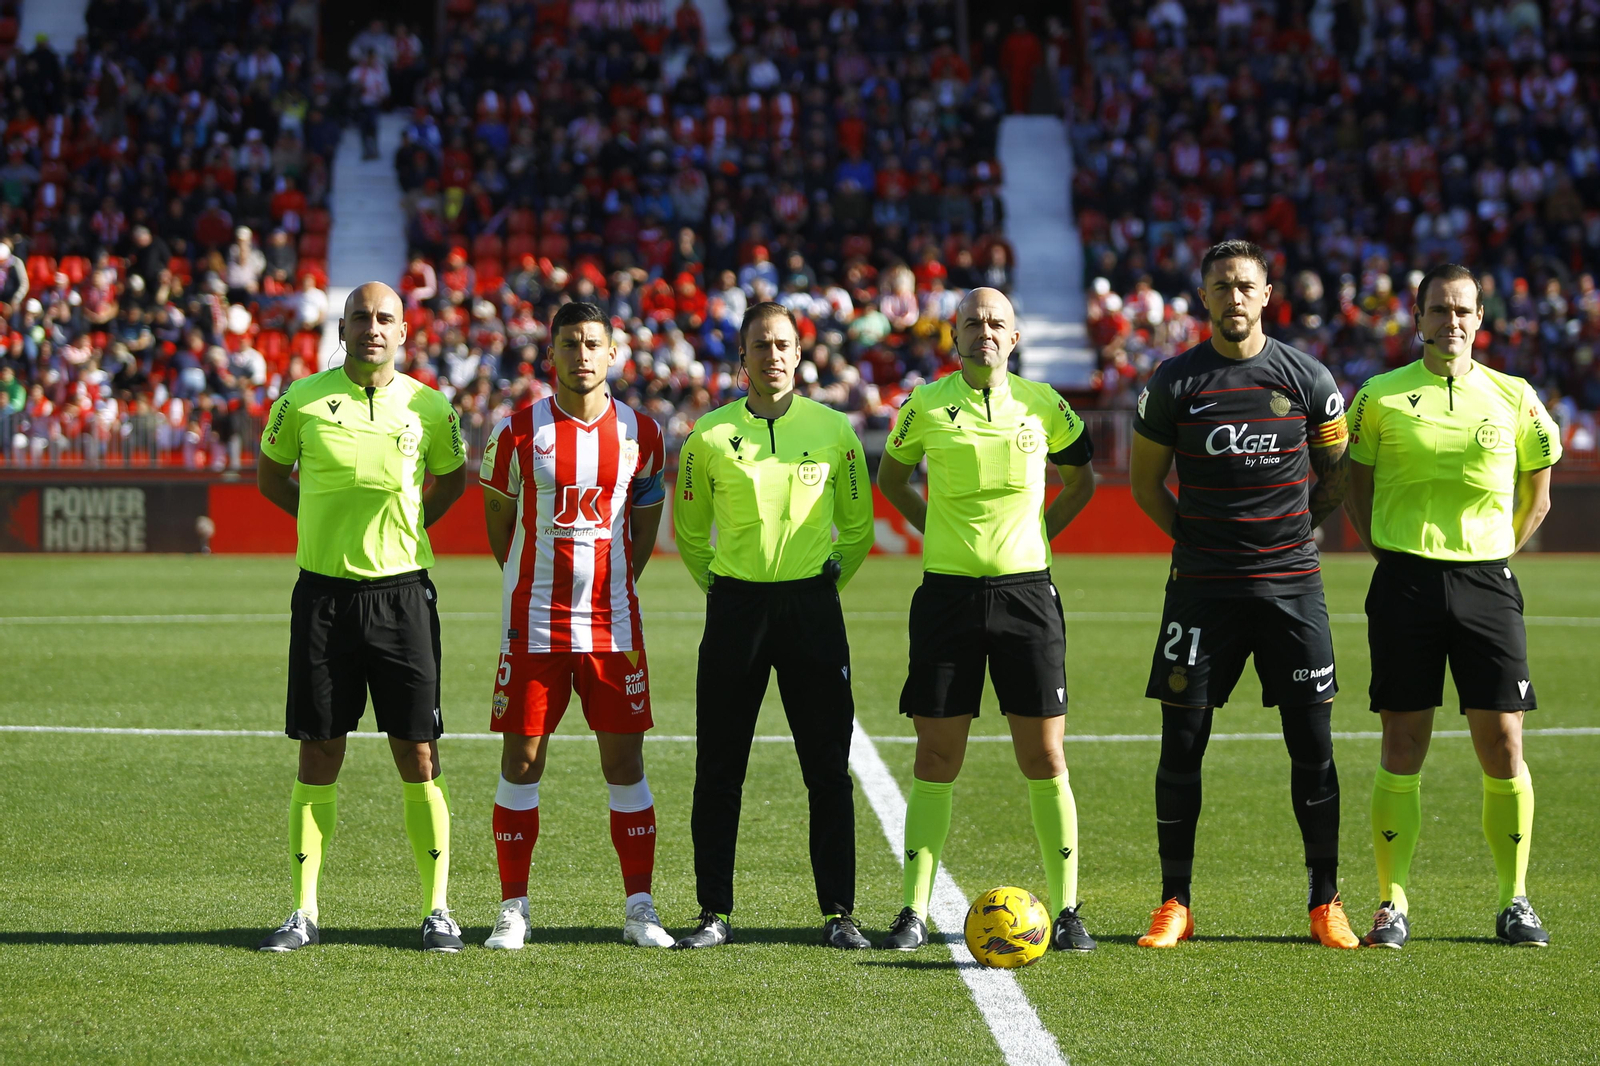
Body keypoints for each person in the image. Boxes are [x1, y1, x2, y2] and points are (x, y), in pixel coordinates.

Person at [1127, 240, 1357, 950]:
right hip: (1201, 593)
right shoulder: (1175, 382)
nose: (1234, 297)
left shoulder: (1308, 378)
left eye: (1246, 285)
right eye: (1221, 285)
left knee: (1312, 746)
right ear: (1204, 296)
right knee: (1182, 745)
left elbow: (1338, 476)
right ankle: (1175, 902)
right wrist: (1196, 542)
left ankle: (1326, 901)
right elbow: (1144, 485)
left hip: (1293, 588)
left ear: (1266, 293)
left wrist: (1295, 535)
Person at [875, 286, 1098, 953]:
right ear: (955, 335)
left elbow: (1081, 481)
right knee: (936, 755)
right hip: (946, 594)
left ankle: (1066, 913)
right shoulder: (925, 405)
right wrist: (933, 531)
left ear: (1015, 335)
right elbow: (893, 481)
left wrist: (1041, 536)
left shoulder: (1045, 407)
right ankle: (913, 911)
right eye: (972, 322)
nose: (985, 332)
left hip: (1028, 595)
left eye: (997, 322)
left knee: (1045, 754)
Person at [1345, 263, 1562, 948]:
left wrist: (1497, 554)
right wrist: (1388, 550)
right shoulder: (1378, 397)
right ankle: (1392, 903)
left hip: (1486, 583)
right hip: (1404, 581)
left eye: (1463, 310)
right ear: (1417, 319)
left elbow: (1540, 491)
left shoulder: (1514, 396)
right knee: (1402, 742)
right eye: (1439, 310)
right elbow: (1354, 483)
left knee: (1503, 742)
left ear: (1480, 319)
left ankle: (1514, 900)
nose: (1452, 323)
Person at [255, 282, 468, 952]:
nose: (371, 327)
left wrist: (410, 528)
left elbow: (451, 481)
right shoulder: (300, 401)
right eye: (360, 317)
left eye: (384, 318)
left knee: (418, 752)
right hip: (323, 598)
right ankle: (303, 912)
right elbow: (269, 475)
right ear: (341, 326)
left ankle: (437, 911)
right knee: (320, 750)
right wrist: (318, 520)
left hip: (403, 596)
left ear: (403, 330)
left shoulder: (431, 407)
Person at [672, 301, 874, 950]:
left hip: (812, 611)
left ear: (800, 351)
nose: (774, 355)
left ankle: (840, 912)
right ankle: (713, 911)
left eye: (784, 344)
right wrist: (728, 588)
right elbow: (689, 533)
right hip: (736, 611)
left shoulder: (835, 430)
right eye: (761, 345)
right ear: (743, 359)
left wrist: (817, 588)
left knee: (826, 768)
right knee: (719, 767)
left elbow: (859, 527)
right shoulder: (707, 437)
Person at [477, 302, 674, 950]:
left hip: (612, 627)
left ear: (612, 352)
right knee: (522, 758)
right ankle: (513, 908)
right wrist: (529, 582)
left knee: (623, 762)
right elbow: (499, 526)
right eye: (570, 343)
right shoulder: (516, 432)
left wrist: (617, 581)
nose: (582, 355)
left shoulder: (641, 433)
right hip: (534, 624)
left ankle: (640, 907)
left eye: (593, 343)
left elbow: (643, 527)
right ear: (552, 353)